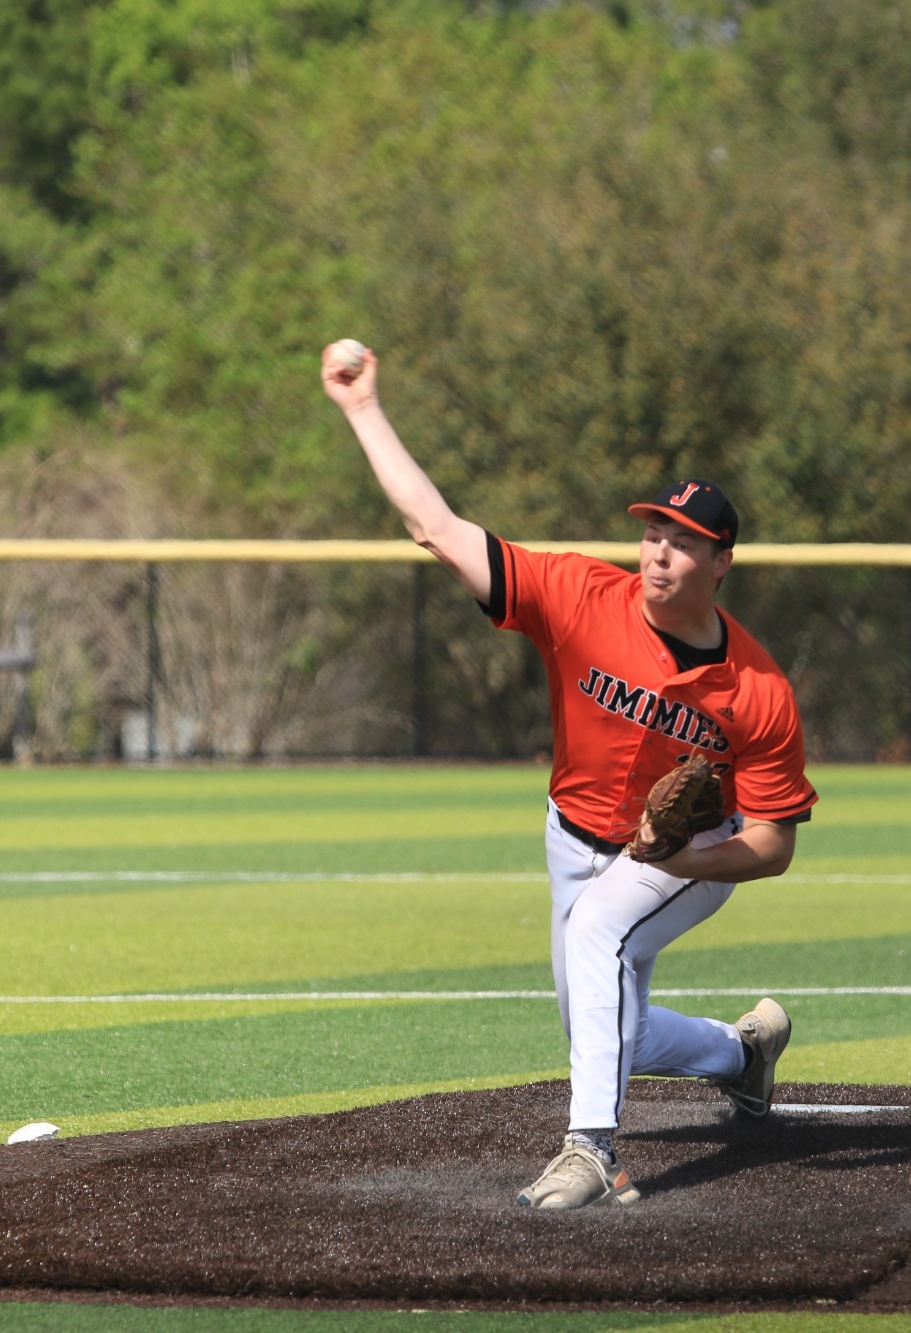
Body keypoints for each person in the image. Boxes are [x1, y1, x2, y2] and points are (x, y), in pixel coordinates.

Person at [322, 341, 818, 1211]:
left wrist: (684, 858)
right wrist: (363, 409)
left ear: (723, 562)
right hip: (570, 832)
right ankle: (742, 1056)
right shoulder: (580, 596)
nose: (660, 553)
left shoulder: (758, 690)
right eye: (653, 532)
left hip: (685, 854)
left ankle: (590, 1151)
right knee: (601, 1026)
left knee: (596, 936)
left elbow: (771, 844)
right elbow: (437, 529)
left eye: (686, 542)